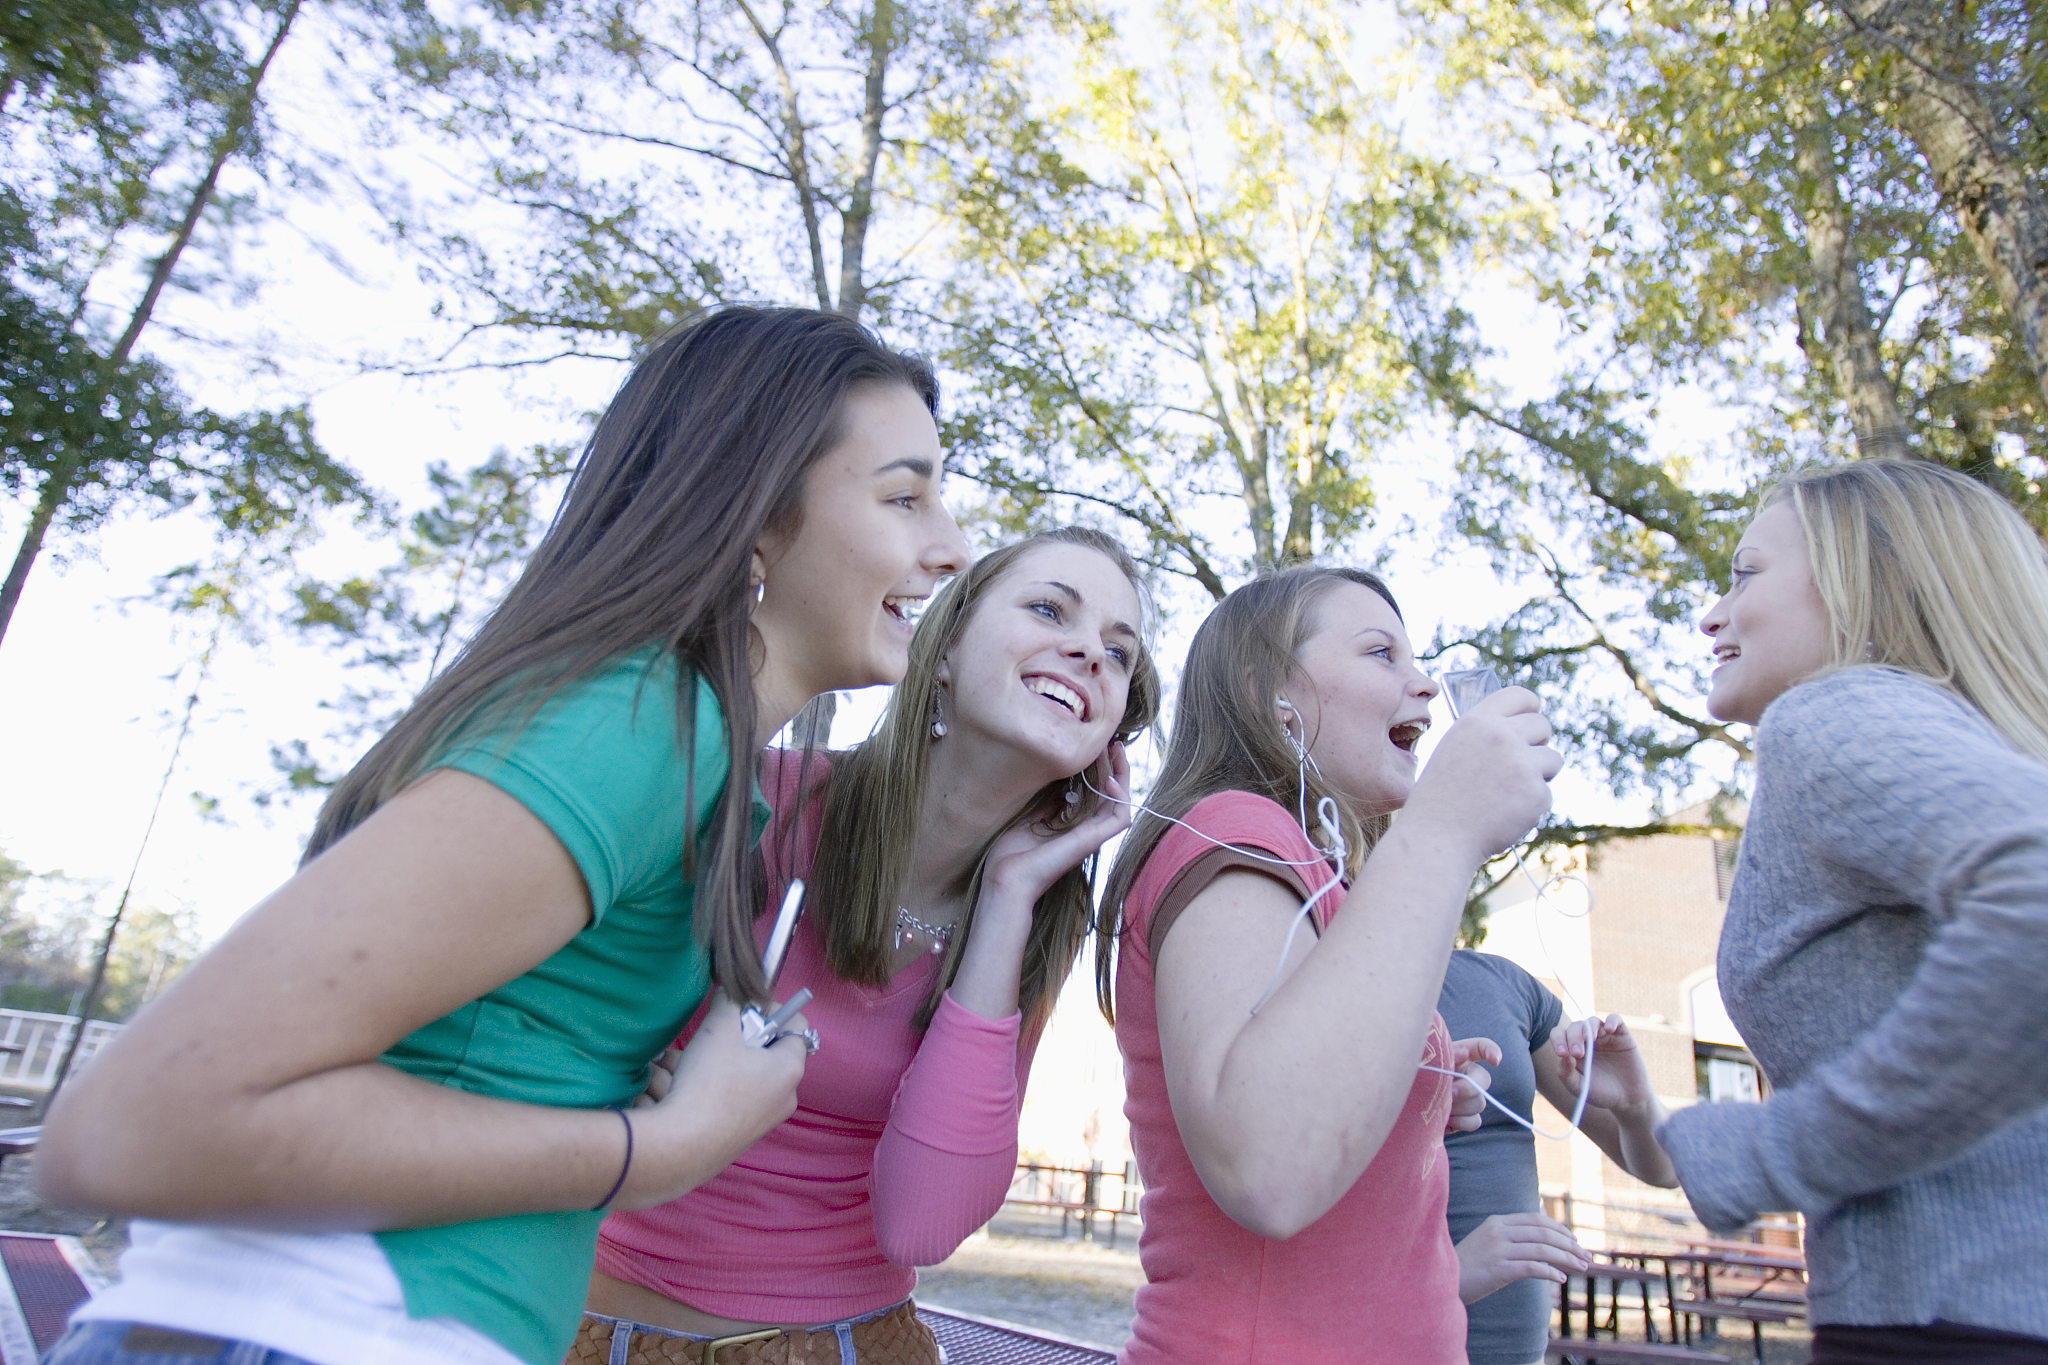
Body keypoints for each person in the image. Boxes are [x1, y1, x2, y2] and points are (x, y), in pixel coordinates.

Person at [33, 306, 973, 1365]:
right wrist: (654, 1150)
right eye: (904, 497)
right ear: (758, 517)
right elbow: (134, 1125)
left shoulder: (696, 760)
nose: (949, 549)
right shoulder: (640, 730)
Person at [575, 527, 1161, 1364]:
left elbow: (923, 1220)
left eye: (1118, 650)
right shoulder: (757, 795)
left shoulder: (1032, 921)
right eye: (1047, 608)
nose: (1088, 652)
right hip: (601, 1329)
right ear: (946, 646)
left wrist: (1006, 897)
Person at [1095, 564, 1561, 1364]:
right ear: (1268, 694)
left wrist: (1414, 1088)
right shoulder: (1236, 828)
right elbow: (1271, 1166)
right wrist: (1446, 827)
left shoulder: (1322, 876)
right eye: (1381, 653)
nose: (1422, 684)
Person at [1655, 459, 2048, 1363]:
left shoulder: (1833, 716)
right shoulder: (1961, 741)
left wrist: (1772, 1150)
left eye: (1746, 573)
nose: (1712, 612)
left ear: (1861, 581)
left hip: (1955, 1324)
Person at [1440, 950, 1677, 1365]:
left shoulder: (1503, 983)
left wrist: (1635, 1105)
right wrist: (1441, 1279)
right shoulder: (1313, 971)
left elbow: (1667, 1169)